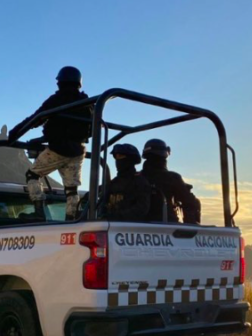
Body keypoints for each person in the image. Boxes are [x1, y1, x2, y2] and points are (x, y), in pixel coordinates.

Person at [8, 66, 91, 221]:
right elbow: (93, 129)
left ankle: (39, 211)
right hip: (78, 151)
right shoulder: (87, 103)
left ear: (59, 82)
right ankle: (71, 217)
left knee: (32, 175)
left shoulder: (56, 100)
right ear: (79, 82)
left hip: (57, 149)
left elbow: (35, 119)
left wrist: (14, 133)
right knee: (72, 189)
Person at [140, 139, 201, 224]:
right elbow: (190, 202)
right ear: (165, 155)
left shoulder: (136, 177)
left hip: (135, 227)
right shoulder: (172, 178)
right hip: (167, 228)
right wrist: (190, 229)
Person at [106, 144, 151, 222]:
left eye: (120, 156)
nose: (117, 160)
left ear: (130, 159)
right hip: (110, 226)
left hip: (131, 229)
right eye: (116, 157)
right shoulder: (112, 183)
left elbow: (141, 209)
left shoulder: (140, 182)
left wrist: (115, 216)